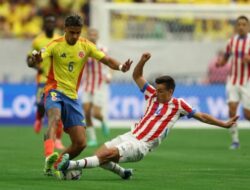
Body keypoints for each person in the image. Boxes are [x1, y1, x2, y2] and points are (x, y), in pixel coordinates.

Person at [56, 52, 238, 180]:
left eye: (161, 91)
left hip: (141, 145)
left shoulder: (179, 105)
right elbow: (137, 76)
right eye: (156, 89)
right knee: (100, 155)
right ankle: (123, 173)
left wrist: (223, 124)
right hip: (130, 134)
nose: (156, 93)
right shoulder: (151, 94)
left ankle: (70, 166)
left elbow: (203, 116)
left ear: (170, 91)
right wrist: (142, 61)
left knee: (106, 155)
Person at [30, 13, 132, 176]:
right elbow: (35, 59)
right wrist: (33, 59)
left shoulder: (86, 45)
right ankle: (49, 156)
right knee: (54, 118)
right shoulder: (55, 44)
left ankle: (56, 165)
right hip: (54, 90)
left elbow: (106, 60)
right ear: (65, 30)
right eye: (72, 32)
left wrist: (121, 67)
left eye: (78, 32)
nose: (75, 36)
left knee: (80, 143)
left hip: (72, 96)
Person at [27, 15, 65, 150]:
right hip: (42, 79)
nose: (50, 24)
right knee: (40, 104)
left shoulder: (59, 39)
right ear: (44, 25)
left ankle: (58, 140)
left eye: (52, 22)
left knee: (57, 111)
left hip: (57, 80)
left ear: (55, 25)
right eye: (48, 22)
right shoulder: (38, 41)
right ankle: (38, 118)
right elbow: (29, 60)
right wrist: (38, 67)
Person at [216, 15, 250, 149]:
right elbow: (226, 57)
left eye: (243, 24)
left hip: (247, 82)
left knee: (247, 115)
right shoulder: (232, 41)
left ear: (247, 27)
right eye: (239, 24)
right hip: (233, 81)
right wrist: (220, 63)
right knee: (232, 110)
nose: (241, 27)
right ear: (236, 26)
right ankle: (235, 140)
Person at [81, 28, 111, 147]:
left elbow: (109, 64)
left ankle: (103, 121)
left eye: (94, 34)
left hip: (99, 84)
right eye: (90, 34)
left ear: (97, 36)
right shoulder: (83, 49)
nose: (92, 36)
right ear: (87, 36)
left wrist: (108, 75)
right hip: (88, 84)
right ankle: (92, 138)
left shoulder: (103, 49)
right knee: (87, 112)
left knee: (95, 113)